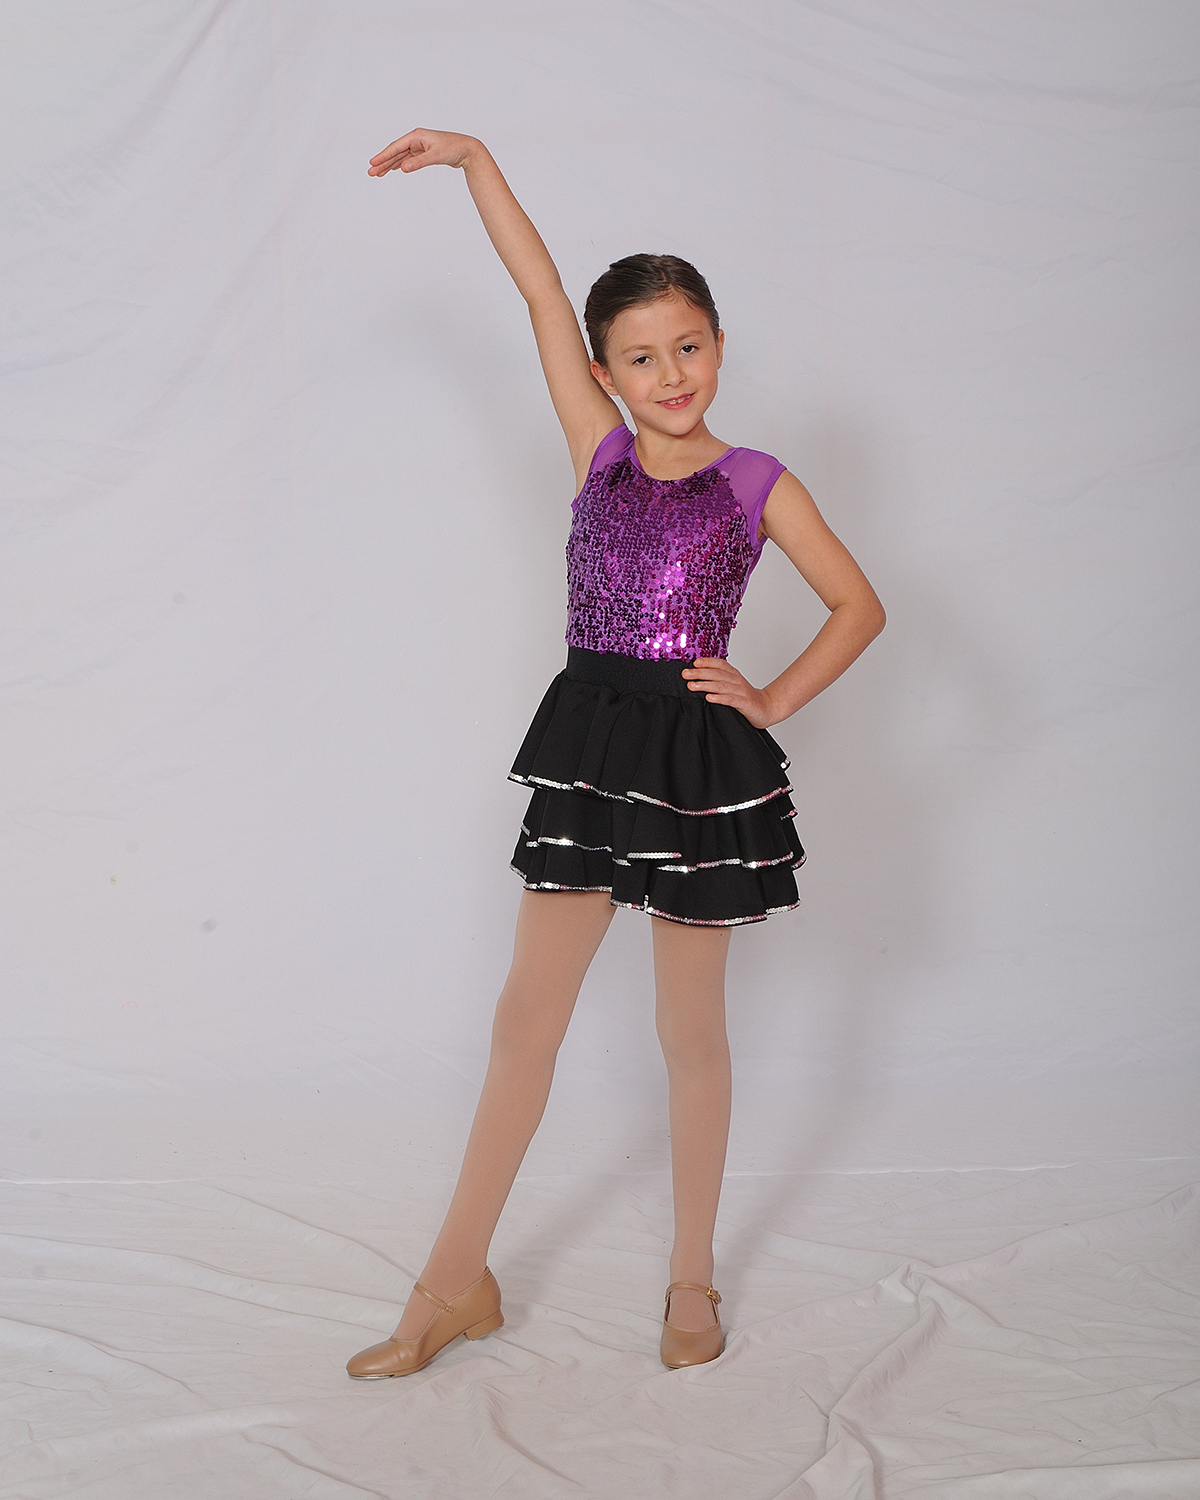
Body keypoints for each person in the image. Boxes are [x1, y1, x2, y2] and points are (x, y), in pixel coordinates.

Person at [346, 129, 885, 1378]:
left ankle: (691, 1278)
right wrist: (476, 162)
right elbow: (539, 288)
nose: (669, 373)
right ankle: (454, 1279)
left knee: (688, 1031)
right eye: (640, 357)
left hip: (694, 764)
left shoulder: (755, 480)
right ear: (604, 372)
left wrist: (772, 697)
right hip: (591, 744)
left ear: (719, 344)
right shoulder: (598, 449)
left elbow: (859, 605)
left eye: (688, 346)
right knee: (523, 1020)